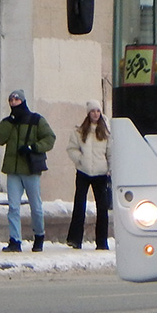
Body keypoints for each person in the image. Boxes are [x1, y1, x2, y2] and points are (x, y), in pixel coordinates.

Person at [0, 90, 55, 253]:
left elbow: (49, 138)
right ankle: (15, 240)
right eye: (11, 100)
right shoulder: (9, 122)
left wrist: (33, 148)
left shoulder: (36, 120)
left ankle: (39, 235)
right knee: (13, 207)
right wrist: (9, 122)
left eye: (16, 99)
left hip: (30, 169)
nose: (13, 102)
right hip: (13, 170)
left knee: (36, 206)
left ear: (23, 101)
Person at [65, 100, 111, 250]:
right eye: (93, 111)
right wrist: (80, 159)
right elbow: (71, 149)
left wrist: (110, 168)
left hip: (101, 173)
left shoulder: (106, 133)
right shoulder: (79, 132)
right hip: (83, 172)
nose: (95, 114)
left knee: (102, 208)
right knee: (79, 205)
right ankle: (75, 239)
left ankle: (102, 242)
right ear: (88, 113)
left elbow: (110, 152)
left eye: (98, 111)